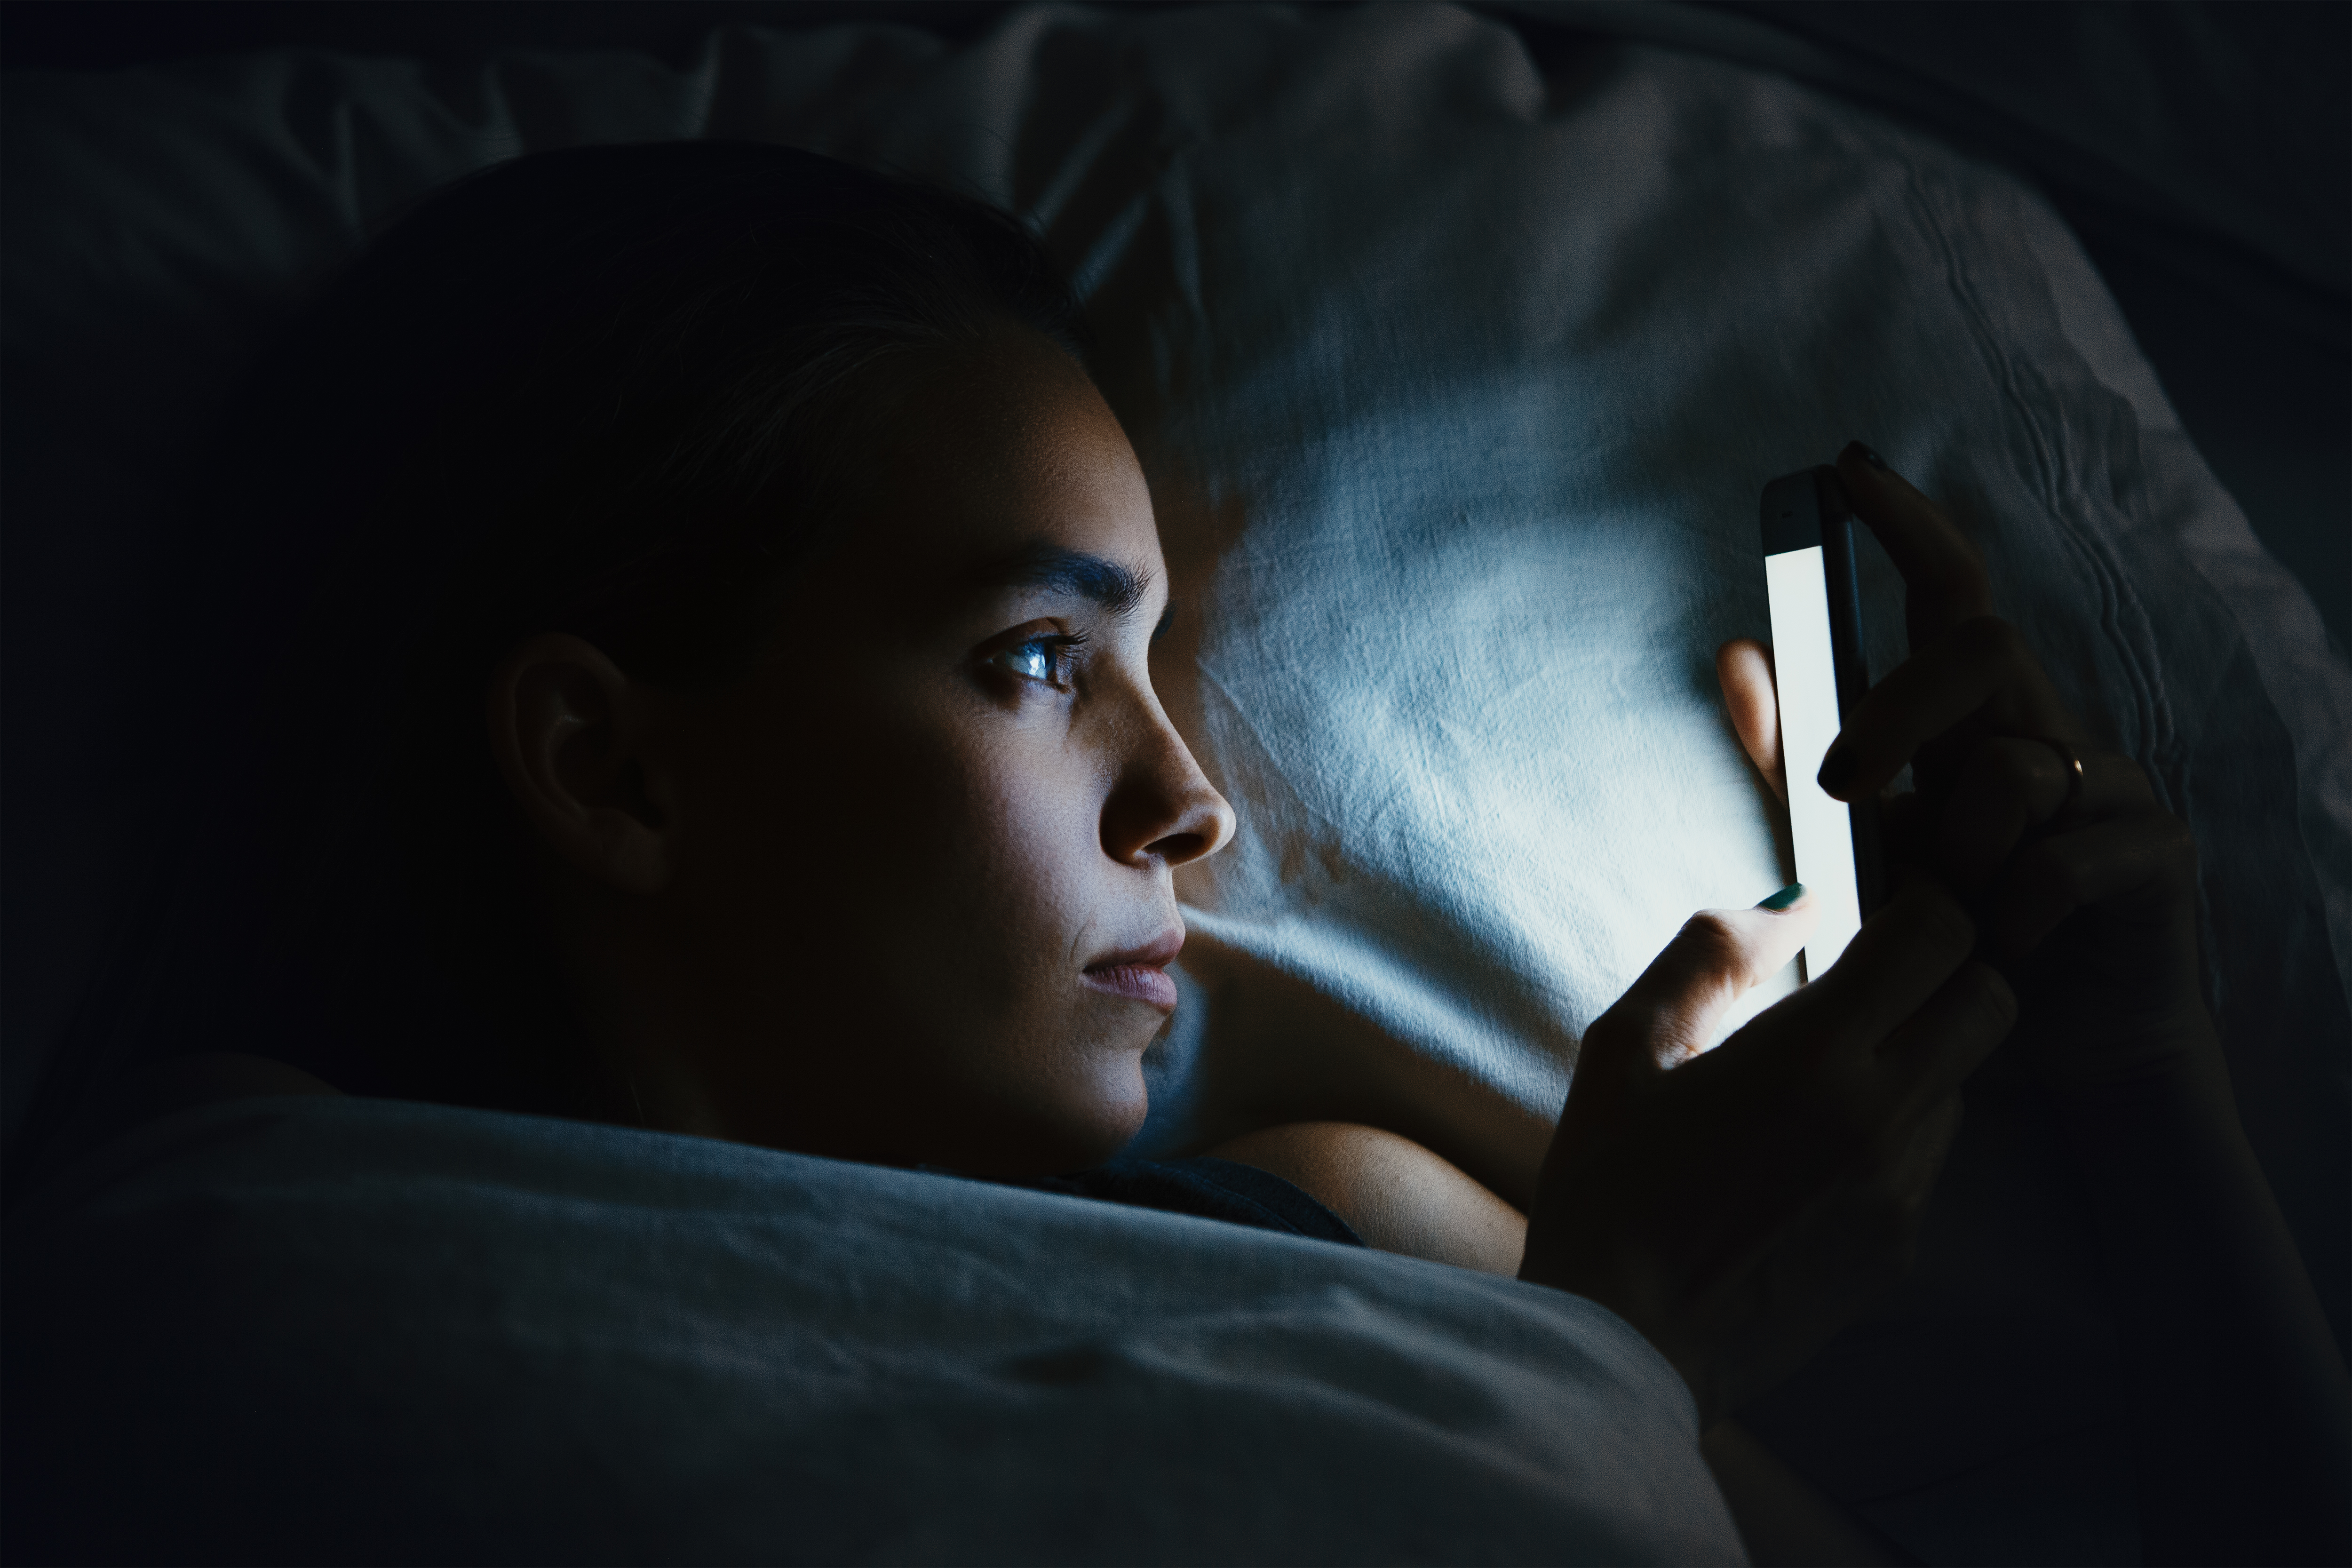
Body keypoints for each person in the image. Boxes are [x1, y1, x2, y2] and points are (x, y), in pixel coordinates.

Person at [47, 143, 2348, 1565]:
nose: (1192, 803)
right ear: (611, 769)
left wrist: (2143, 1092)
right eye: (1040, 662)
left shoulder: (1363, 1235)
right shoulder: (221, 1282)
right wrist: (1621, 1351)